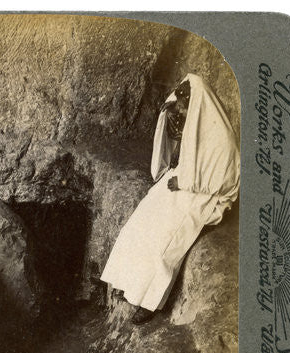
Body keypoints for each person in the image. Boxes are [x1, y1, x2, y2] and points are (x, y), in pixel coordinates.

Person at [100, 74, 239, 325]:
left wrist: (185, 183)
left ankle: (148, 302)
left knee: (166, 240)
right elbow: (181, 158)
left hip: (206, 198)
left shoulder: (223, 139)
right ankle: (129, 283)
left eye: (185, 109)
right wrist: (171, 115)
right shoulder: (195, 123)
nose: (183, 114)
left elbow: (226, 181)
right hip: (185, 183)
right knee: (141, 221)